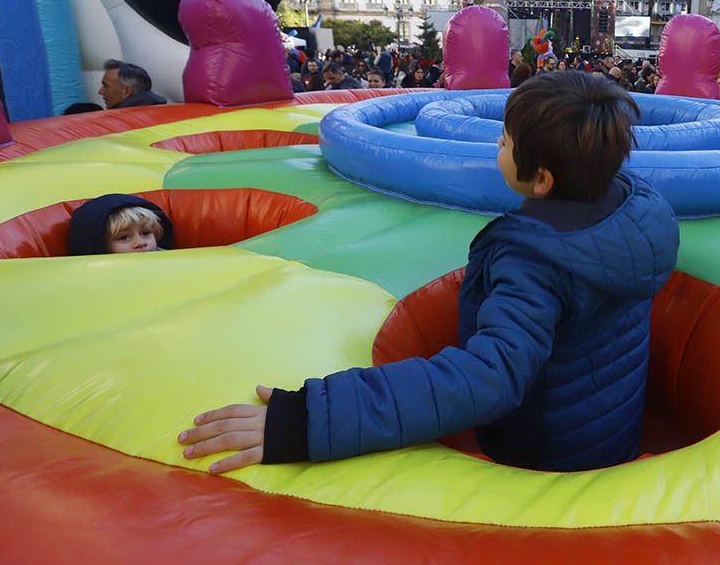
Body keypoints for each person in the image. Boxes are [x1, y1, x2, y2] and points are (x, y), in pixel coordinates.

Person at [178, 70, 680, 474]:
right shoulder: (636, 209)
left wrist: (309, 420)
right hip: (608, 434)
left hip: (545, 460)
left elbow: (489, 376)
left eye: (505, 143)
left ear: (543, 179)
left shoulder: (536, 262)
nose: (497, 150)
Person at [67, 194, 175, 255]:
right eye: (124, 237)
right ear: (101, 246)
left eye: (146, 233)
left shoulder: (166, 258)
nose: (140, 243)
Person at [98, 59, 167, 109]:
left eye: (106, 86)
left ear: (127, 91)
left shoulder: (118, 123)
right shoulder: (168, 113)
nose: (100, 92)